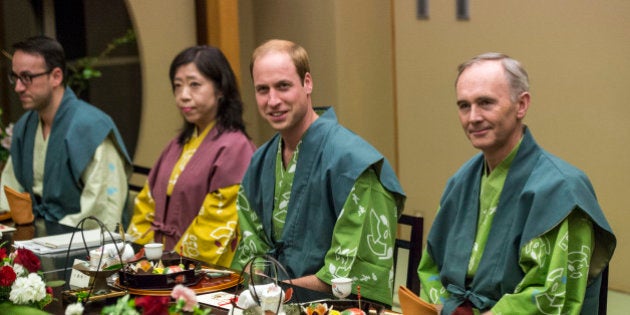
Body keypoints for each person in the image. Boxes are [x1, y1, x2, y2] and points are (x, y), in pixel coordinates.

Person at [418, 53, 616, 314]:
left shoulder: (561, 191)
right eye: (464, 106)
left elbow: (551, 294)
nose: (473, 117)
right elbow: (431, 268)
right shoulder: (461, 182)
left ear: (521, 105)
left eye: (485, 102)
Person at [231, 39, 406, 306]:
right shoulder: (260, 162)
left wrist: (272, 294)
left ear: (307, 82)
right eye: (262, 89)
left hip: (336, 308)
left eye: (283, 86)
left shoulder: (354, 163)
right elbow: (251, 253)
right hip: (272, 304)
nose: (273, 100)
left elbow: (346, 279)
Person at [126, 45, 255, 266]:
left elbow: (215, 224)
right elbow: (147, 205)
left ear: (220, 89)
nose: (183, 96)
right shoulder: (176, 145)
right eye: (178, 86)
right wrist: (141, 258)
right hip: (158, 266)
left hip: (194, 272)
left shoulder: (236, 147)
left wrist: (174, 267)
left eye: (195, 85)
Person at [0, 36, 131, 230]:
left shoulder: (91, 127)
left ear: (56, 76)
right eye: (15, 77)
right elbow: (8, 194)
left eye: (27, 77)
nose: (18, 87)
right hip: (34, 237)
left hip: (84, 246)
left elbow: (103, 211)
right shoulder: (25, 127)